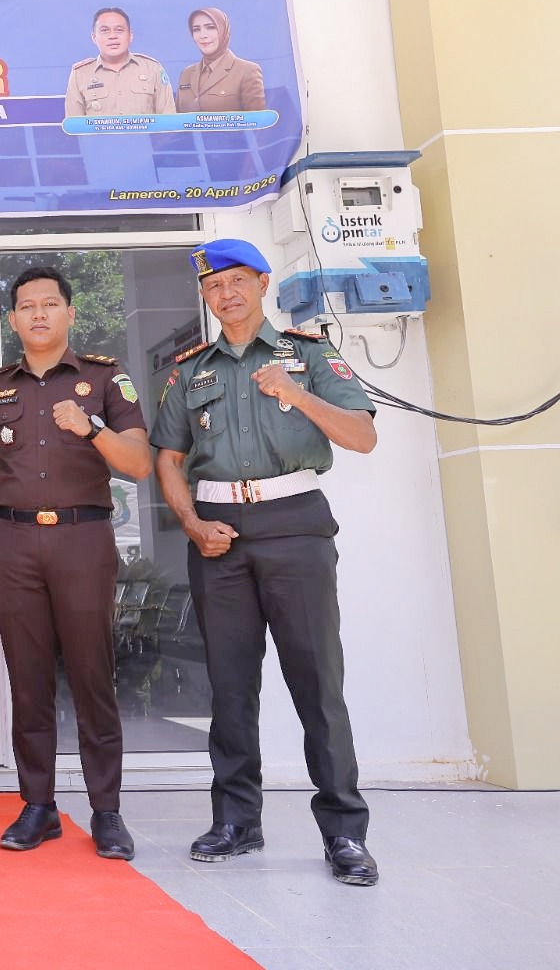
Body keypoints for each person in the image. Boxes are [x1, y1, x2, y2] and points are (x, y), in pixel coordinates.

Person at [151, 239, 381, 886]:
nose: (225, 294)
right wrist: (193, 525)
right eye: (213, 285)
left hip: (295, 524)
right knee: (228, 687)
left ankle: (344, 833)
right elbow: (167, 458)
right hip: (219, 535)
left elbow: (362, 435)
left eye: (237, 281)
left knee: (317, 685)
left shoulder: (308, 356)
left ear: (261, 283)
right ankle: (236, 822)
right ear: (205, 296)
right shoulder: (188, 372)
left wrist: (295, 394)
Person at [0, 267, 152, 860]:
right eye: (27, 306)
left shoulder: (104, 378)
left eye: (51, 304)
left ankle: (106, 810)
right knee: (28, 679)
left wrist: (92, 426)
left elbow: (140, 464)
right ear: (13, 319)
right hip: (16, 544)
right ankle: (38, 806)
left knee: (93, 674)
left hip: (83, 539)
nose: (39, 314)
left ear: (69, 314)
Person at [65, 7, 176, 118]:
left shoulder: (152, 69)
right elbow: (74, 127)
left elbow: (168, 120)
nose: (112, 36)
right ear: (94, 37)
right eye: (105, 30)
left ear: (130, 35)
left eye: (119, 30)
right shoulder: (80, 74)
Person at [176, 8, 267, 114]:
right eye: (196, 29)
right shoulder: (186, 73)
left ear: (223, 30)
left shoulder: (247, 71)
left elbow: (258, 125)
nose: (203, 35)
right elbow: (178, 120)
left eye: (210, 27)